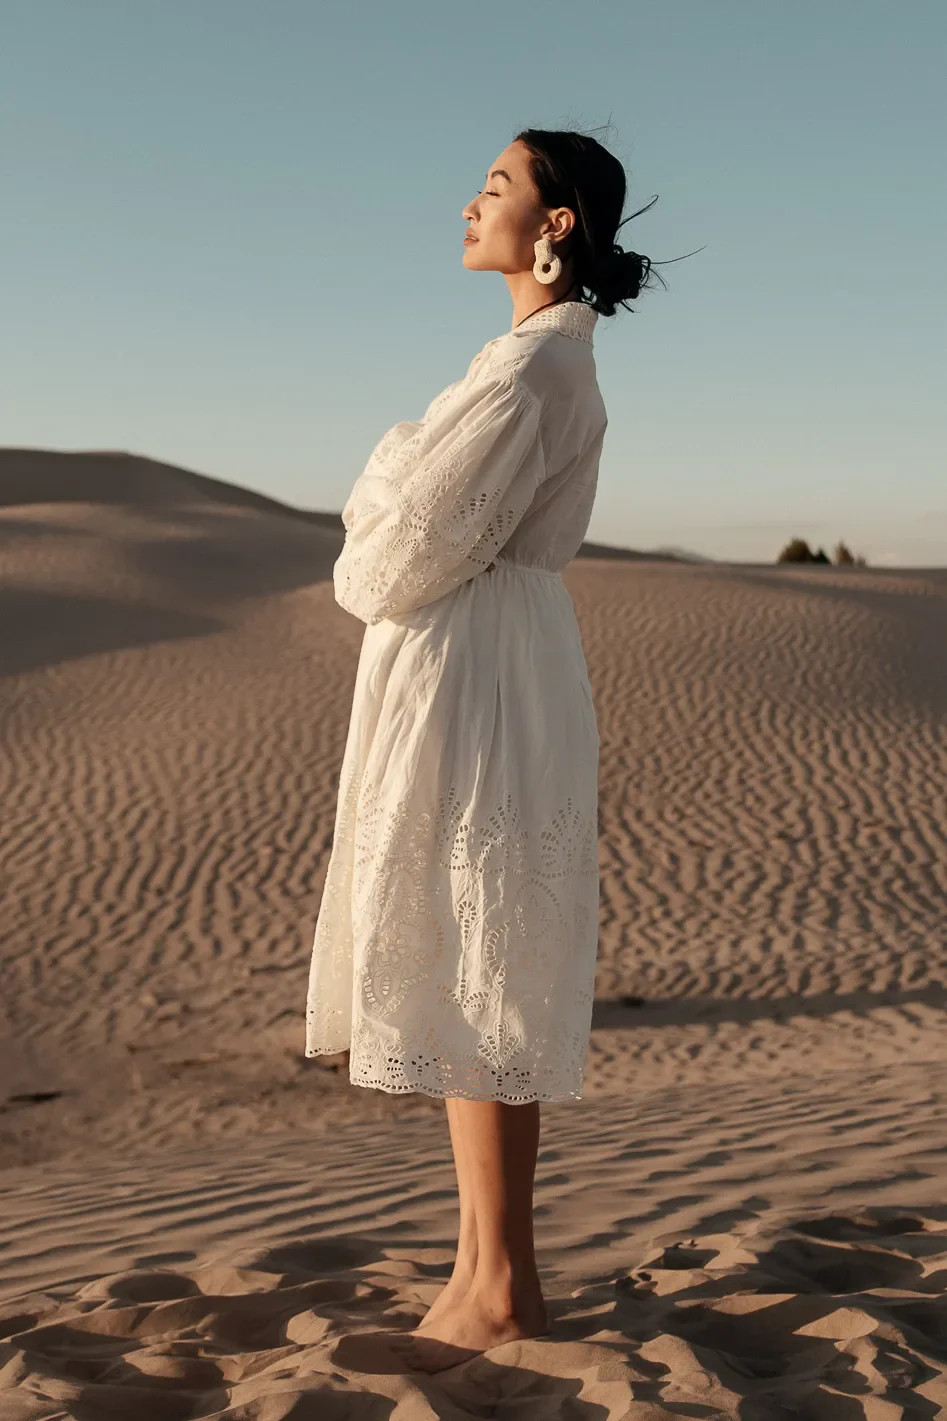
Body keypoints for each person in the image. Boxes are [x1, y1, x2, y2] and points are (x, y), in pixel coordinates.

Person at [305, 127, 663, 1373]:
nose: (470, 202)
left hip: (476, 673)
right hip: (489, 660)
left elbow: (383, 562)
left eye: (498, 186)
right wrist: (405, 476)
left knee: (480, 962)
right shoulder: (528, 364)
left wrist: (388, 460)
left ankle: (500, 1279)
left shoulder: (524, 380)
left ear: (553, 225)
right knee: (478, 960)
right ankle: (481, 1269)